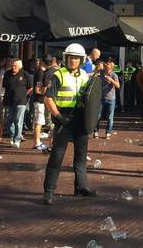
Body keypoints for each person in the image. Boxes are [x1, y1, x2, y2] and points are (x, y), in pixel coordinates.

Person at [43, 43, 97, 205]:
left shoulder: (85, 76)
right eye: (70, 58)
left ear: (81, 60)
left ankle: (81, 187)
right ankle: (49, 191)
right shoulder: (58, 75)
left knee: (80, 157)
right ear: (66, 58)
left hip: (80, 120)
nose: (73, 61)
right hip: (64, 120)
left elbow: (91, 99)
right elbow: (48, 99)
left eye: (76, 58)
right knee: (56, 157)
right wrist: (58, 117)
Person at [2, 58, 33, 148]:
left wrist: (24, 95)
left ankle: (17, 139)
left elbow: (30, 87)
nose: (13, 67)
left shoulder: (25, 74)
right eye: (12, 65)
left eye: (15, 65)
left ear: (20, 66)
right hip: (8, 101)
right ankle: (12, 136)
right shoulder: (7, 74)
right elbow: (4, 86)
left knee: (18, 120)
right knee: (9, 120)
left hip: (21, 101)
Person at [93, 57, 120, 139]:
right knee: (98, 116)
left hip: (111, 99)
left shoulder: (114, 75)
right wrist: (96, 70)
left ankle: (108, 132)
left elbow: (118, 86)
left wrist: (111, 80)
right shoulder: (101, 72)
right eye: (105, 63)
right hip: (101, 98)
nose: (105, 65)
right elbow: (93, 75)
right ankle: (96, 131)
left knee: (110, 117)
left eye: (107, 64)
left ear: (111, 66)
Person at [32, 56, 51, 151]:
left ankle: (37, 141)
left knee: (38, 122)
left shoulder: (40, 72)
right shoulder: (40, 73)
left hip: (39, 100)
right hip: (39, 100)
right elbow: (37, 90)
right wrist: (47, 92)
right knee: (39, 122)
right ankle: (37, 142)